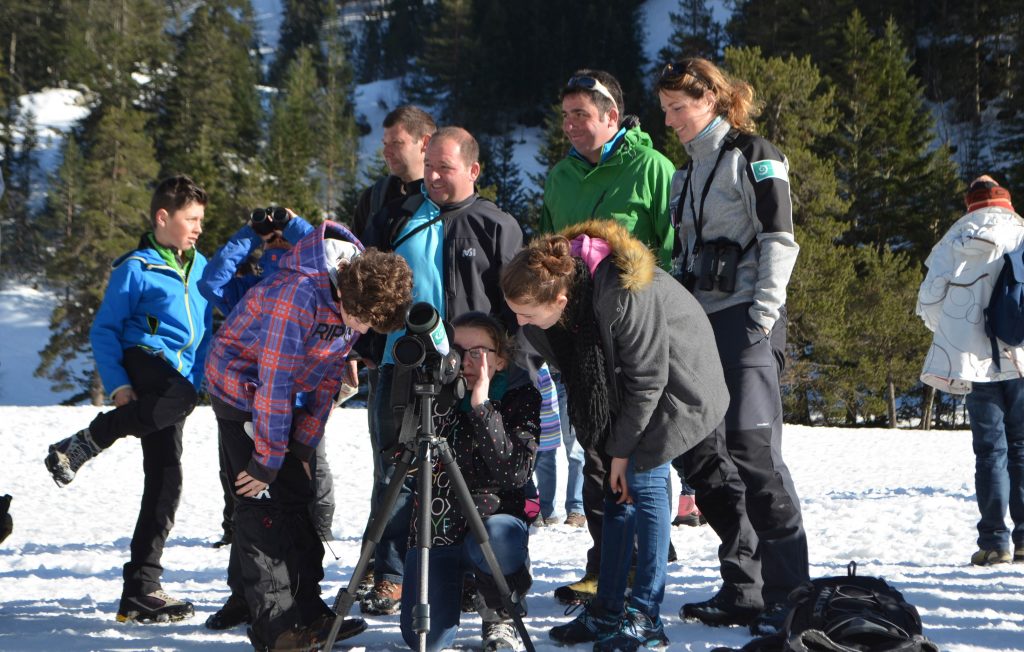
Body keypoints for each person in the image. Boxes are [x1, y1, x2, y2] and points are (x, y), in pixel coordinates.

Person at [501, 220, 728, 651]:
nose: (519, 321)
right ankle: (608, 610)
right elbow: (581, 379)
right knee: (612, 489)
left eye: (526, 312)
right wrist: (603, 451)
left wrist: (621, 452)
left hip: (677, 385)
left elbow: (647, 381)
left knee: (643, 480)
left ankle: (645, 617)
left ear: (561, 301)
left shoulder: (624, 293)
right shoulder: (545, 317)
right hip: (623, 390)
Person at [205, 220, 412, 650]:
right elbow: (273, 382)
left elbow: (327, 375)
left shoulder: (357, 295)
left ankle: (309, 611)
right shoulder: (296, 294)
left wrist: (301, 443)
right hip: (241, 389)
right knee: (260, 507)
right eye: (361, 321)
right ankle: (277, 629)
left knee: (299, 498)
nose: (361, 329)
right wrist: (265, 459)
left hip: (286, 394)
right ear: (343, 292)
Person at [656, 57, 808, 636]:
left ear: (713, 100)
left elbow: (779, 237)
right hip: (700, 322)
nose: (671, 119)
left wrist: (764, 314)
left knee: (754, 451)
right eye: (666, 108)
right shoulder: (682, 175)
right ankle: (744, 586)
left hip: (747, 318)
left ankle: (790, 595)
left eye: (680, 107)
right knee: (703, 452)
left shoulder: (753, 153)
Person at [357, 126, 525, 616]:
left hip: (472, 373)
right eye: (427, 165)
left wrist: (507, 366)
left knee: (471, 480)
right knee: (397, 476)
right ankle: (389, 576)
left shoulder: (497, 224)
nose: (431, 175)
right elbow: (366, 286)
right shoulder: (398, 217)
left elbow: (515, 308)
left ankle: (472, 583)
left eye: (443, 168)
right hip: (401, 369)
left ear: (473, 170)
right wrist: (367, 346)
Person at [44, 175, 213, 623]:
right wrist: (118, 385)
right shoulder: (135, 267)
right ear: (163, 217)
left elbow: (209, 331)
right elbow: (104, 330)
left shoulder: (203, 268)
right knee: (181, 398)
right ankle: (96, 434)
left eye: (201, 220)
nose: (198, 227)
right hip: (145, 361)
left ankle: (141, 591)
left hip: (179, 380)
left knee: (165, 481)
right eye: (191, 219)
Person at [539, 68, 677, 603]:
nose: (571, 125)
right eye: (566, 115)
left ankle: (644, 569)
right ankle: (607, 564)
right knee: (595, 449)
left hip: (641, 332)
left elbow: (671, 249)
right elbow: (550, 252)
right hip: (582, 335)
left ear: (612, 116)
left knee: (641, 452)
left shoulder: (652, 167)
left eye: (583, 115)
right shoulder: (560, 178)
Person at [198, 207, 342, 632]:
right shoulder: (255, 284)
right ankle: (245, 595)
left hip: (298, 405)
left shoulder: (316, 277)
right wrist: (249, 233)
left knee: (299, 494)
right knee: (249, 502)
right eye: (272, 241)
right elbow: (212, 282)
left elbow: (323, 252)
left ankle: (302, 600)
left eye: (287, 239)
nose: (279, 244)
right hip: (249, 400)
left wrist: (292, 226)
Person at [398, 312, 540, 652]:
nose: (463, 361)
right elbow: (397, 455)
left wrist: (481, 406)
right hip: (439, 526)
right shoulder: (431, 396)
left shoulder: (521, 396)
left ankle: (499, 613)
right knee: (426, 641)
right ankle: (461, 587)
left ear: (501, 359)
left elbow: (515, 472)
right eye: (456, 351)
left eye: (477, 351)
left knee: (499, 538)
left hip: (492, 520)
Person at [917, 175, 1024, 566]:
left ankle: (995, 542)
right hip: (1021, 359)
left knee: (990, 451)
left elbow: (929, 300)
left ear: (971, 203)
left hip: (975, 363)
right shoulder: (1022, 232)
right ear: (1005, 201)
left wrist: (955, 331)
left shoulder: (955, 238)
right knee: (1023, 448)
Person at [351, 105, 436, 597]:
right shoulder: (374, 198)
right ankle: (381, 567)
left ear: (425, 143)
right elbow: (359, 277)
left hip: (435, 348)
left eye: (395, 143)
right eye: (383, 143)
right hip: (384, 353)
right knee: (389, 464)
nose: (385, 151)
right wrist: (358, 345)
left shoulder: (442, 195)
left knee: (428, 467)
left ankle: (400, 570)